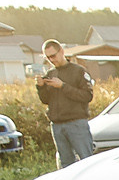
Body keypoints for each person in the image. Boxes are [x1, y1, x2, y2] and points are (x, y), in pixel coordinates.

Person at [37, 38, 98, 170]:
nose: (52, 60)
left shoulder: (79, 71)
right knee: (65, 165)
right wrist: (41, 87)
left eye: (53, 56)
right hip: (57, 125)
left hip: (76, 123)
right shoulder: (50, 74)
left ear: (62, 52)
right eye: (48, 58)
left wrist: (63, 86)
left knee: (87, 161)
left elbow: (87, 96)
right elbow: (45, 100)